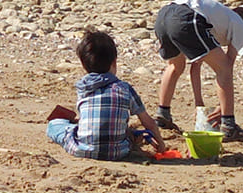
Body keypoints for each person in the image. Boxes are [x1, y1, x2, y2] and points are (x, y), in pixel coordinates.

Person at [153, 0, 243, 137]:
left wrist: (199, 104)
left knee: (175, 66)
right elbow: (226, 69)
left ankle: (162, 116)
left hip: (164, 16)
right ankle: (229, 126)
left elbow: (196, 64)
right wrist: (222, 107)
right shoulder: (242, 28)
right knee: (223, 68)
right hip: (186, 17)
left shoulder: (217, 20)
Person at [47, 28, 164, 161]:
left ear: (84, 65)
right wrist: (161, 144)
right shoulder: (125, 88)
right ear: (114, 62)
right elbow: (148, 122)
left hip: (83, 150)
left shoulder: (83, 87)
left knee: (54, 125)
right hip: (119, 152)